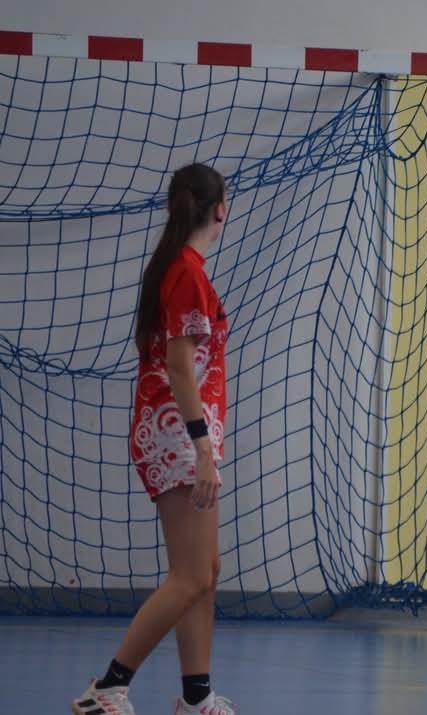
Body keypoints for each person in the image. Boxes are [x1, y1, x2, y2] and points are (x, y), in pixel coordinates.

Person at [72, 163, 236, 715]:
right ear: (219, 209)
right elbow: (179, 367)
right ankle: (107, 688)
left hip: (181, 433)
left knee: (204, 574)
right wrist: (203, 448)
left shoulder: (180, 268)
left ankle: (196, 697)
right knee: (190, 576)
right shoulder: (185, 272)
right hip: (178, 436)